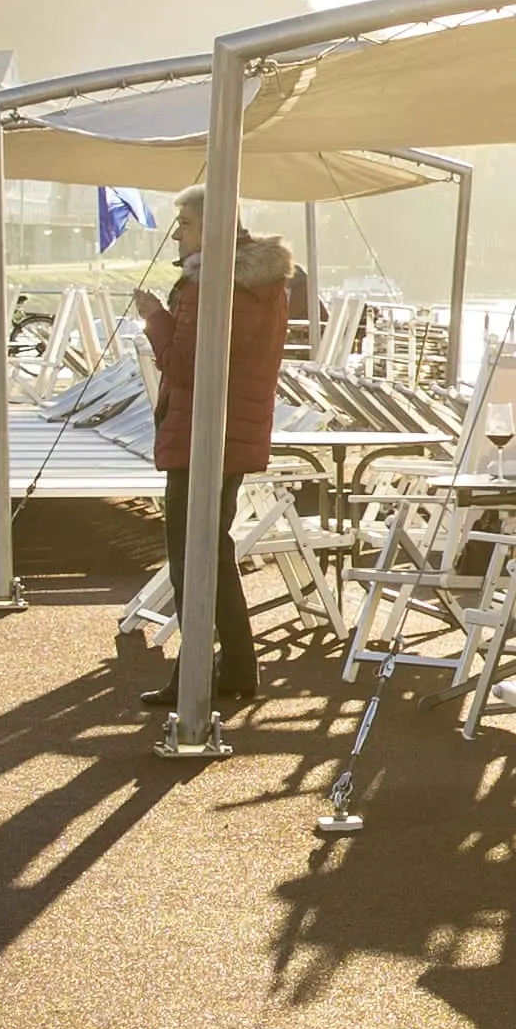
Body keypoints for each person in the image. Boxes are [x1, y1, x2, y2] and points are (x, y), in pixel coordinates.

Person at [143, 196, 316, 700]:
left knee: (191, 557)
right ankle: (235, 669)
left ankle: (197, 675)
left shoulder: (213, 285)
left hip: (201, 434)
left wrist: (155, 316)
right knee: (211, 553)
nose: (177, 235)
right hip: (232, 432)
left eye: (186, 224)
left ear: (212, 229)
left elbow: (185, 367)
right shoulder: (263, 284)